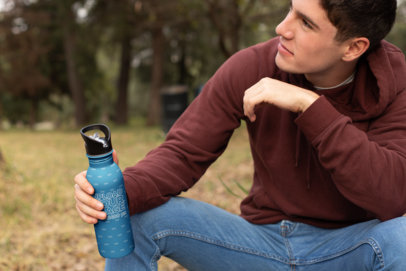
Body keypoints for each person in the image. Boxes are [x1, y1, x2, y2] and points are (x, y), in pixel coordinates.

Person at [74, 0, 406, 269]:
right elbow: (182, 153)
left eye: (306, 23)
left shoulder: (395, 84)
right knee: (136, 216)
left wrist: (311, 106)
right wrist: (120, 191)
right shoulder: (252, 65)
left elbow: (391, 195)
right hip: (259, 246)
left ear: (353, 48)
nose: (282, 28)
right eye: (290, 9)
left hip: (350, 250)